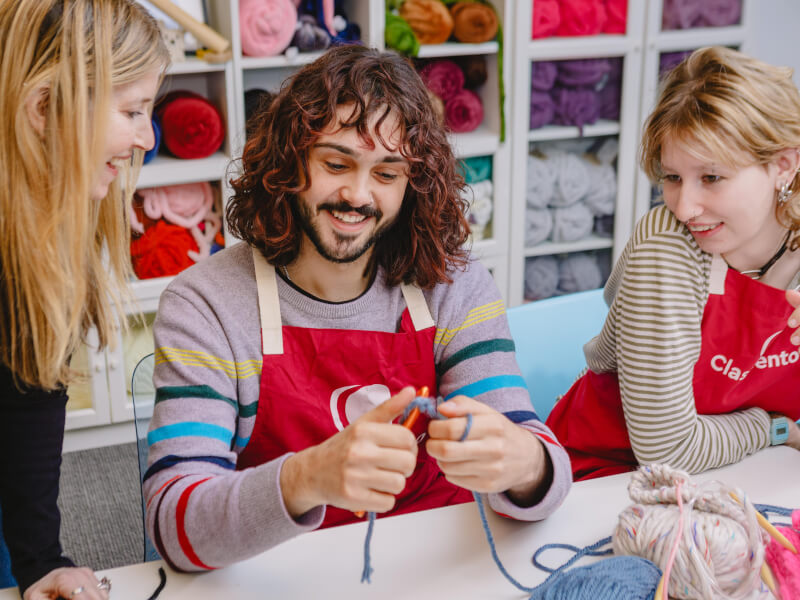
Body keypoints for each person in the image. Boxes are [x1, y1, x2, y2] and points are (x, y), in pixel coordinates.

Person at [144, 44, 571, 571]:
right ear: (288, 162)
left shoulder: (452, 284)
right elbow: (172, 525)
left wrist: (525, 464)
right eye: (336, 162)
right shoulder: (207, 305)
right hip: (283, 573)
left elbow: (546, 473)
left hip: (433, 568)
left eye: (387, 174)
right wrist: (308, 477)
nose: (357, 194)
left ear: (412, 186)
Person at [545, 46, 800, 481]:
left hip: (745, 471)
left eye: (712, 177)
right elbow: (669, 451)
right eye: (672, 177)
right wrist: (772, 428)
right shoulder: (669, 244)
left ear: (783, 165)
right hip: (608, 471)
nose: (684, 208)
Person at [0, 1, 169, 597]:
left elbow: (29, 391)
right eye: (131, 111)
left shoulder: (46, 233)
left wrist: (40, 559)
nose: (146, 137)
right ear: (44, 108)